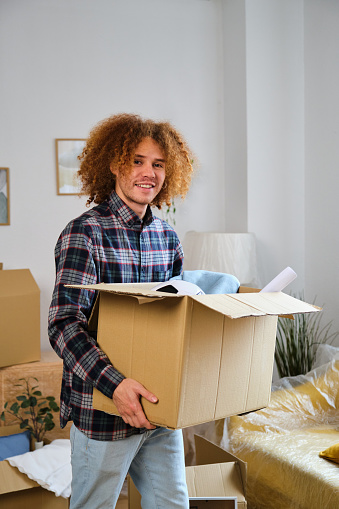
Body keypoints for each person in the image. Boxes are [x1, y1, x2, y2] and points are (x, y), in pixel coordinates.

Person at [48, 113, 195, 509]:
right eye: (137, 160)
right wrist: (116, 385)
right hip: (104, 411)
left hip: (158, 411)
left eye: (158, 164)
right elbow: (63, 325)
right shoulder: (86, 232)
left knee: (173, 504)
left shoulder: (168, 238)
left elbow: (175, 323)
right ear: (114, 164)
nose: (149, 172)